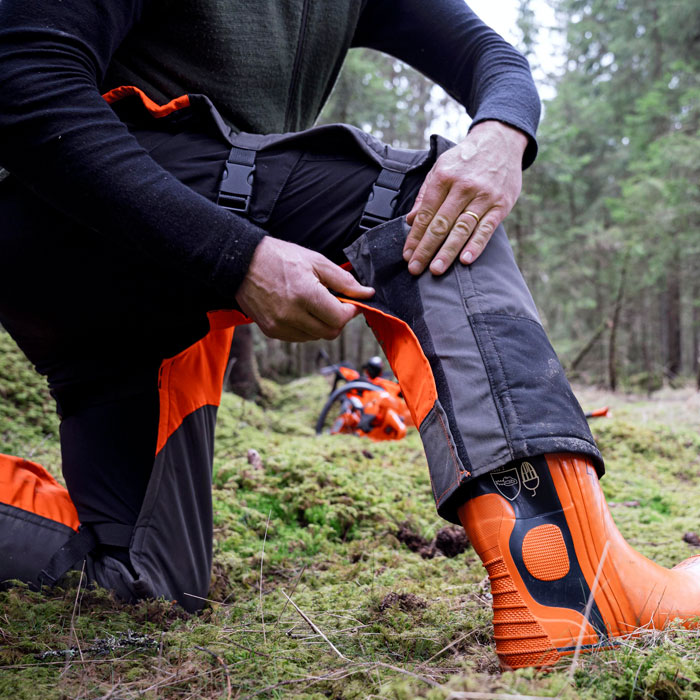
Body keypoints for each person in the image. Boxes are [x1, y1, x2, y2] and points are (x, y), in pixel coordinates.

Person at [0, 0, 698, 671]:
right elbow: (24, 79)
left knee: (144, 580)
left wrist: (502, 132)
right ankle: (575, 585)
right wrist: (235, 257)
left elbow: (492, 56)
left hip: (146, 287)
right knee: (423, 206)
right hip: (59, 204)